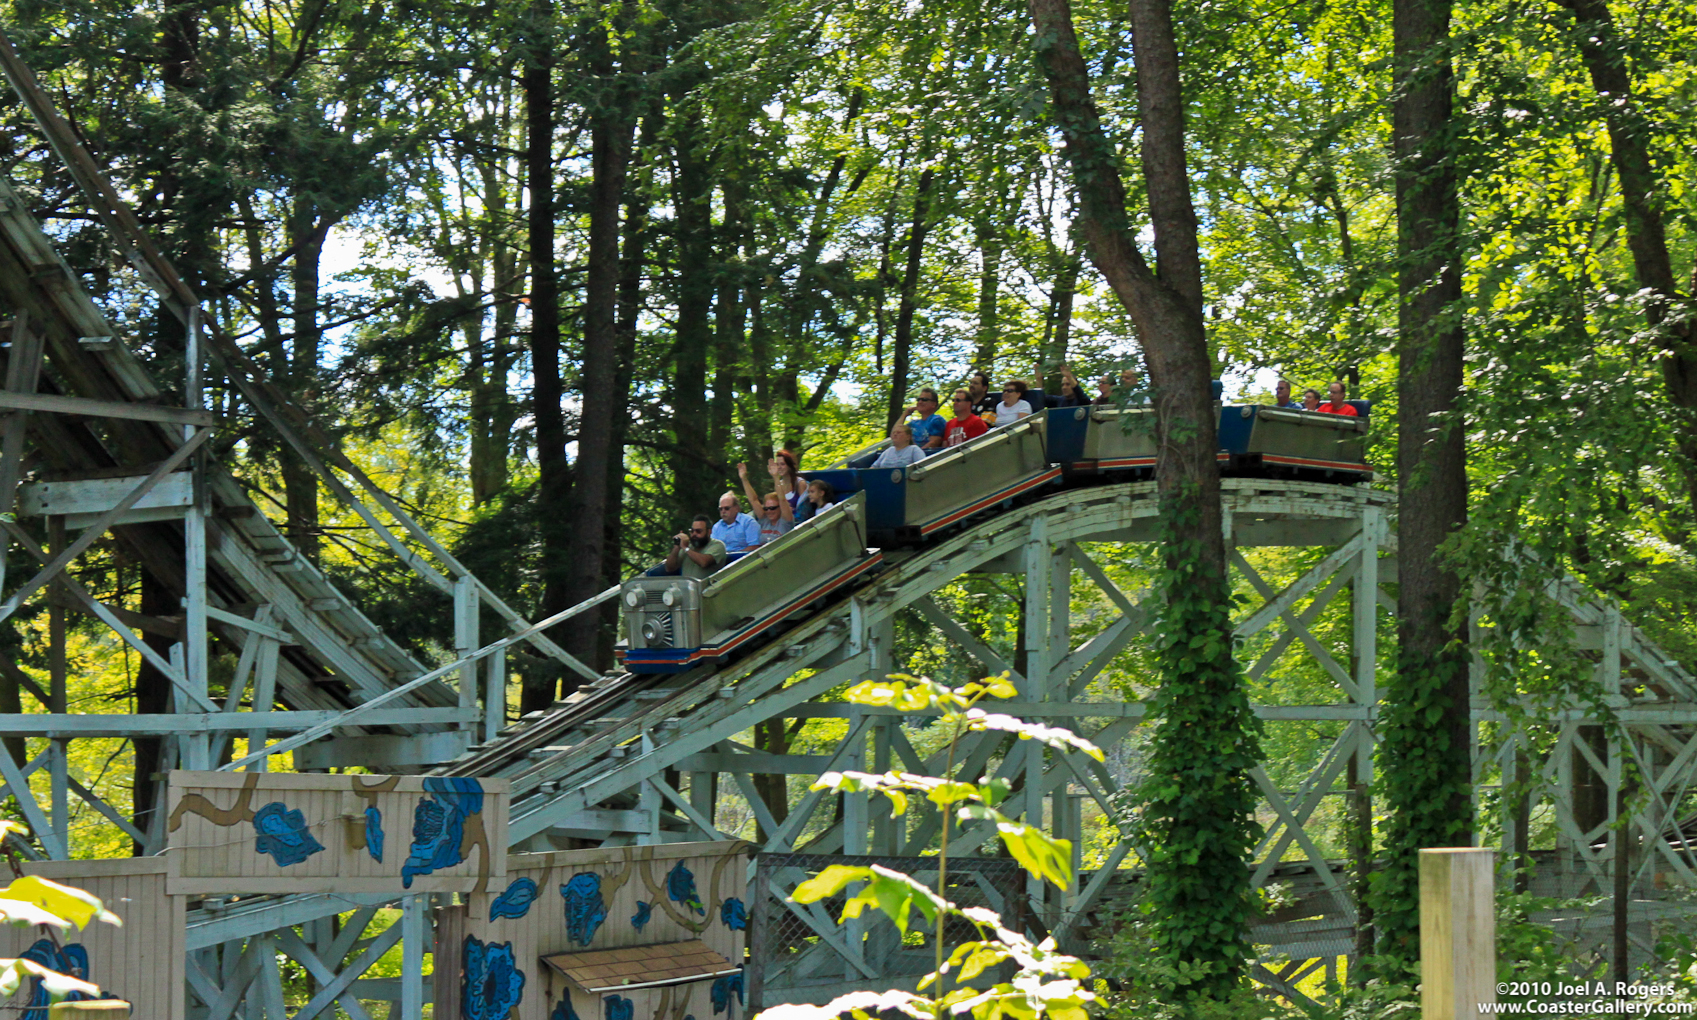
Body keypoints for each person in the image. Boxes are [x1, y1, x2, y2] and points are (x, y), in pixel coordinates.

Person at [737, 461, 798, 544]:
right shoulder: (764, 519)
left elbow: (782, 499)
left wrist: (776, 477)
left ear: (780, 507)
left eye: (772, 508)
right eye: (766, 508)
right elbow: (753, 500)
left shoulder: (785, 521)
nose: (769, 511)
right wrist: (744, 479)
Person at [650, 515, 726, 579]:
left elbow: (703, 562)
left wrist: (684, 547)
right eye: (692, 531)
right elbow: (669, 568)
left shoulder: (717, 545)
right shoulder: (688, 547)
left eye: (698, 531)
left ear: (709, 532)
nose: (694, 534)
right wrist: (677, 547)